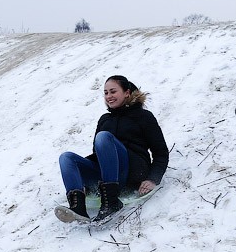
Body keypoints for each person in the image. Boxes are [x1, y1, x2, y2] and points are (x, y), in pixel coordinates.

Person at [58, 75, 169, 221]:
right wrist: (82, 178)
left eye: (113, 91)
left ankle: (111, 202)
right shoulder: (105, 119)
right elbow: (98, 155)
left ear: (127, 93)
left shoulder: (143, 116)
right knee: (66, 158)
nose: (109, 96)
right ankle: (78, 207)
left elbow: (161, 152)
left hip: (130, 173)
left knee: (103, 137)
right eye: (106, 93)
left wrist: (153, 178)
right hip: (106, 176)